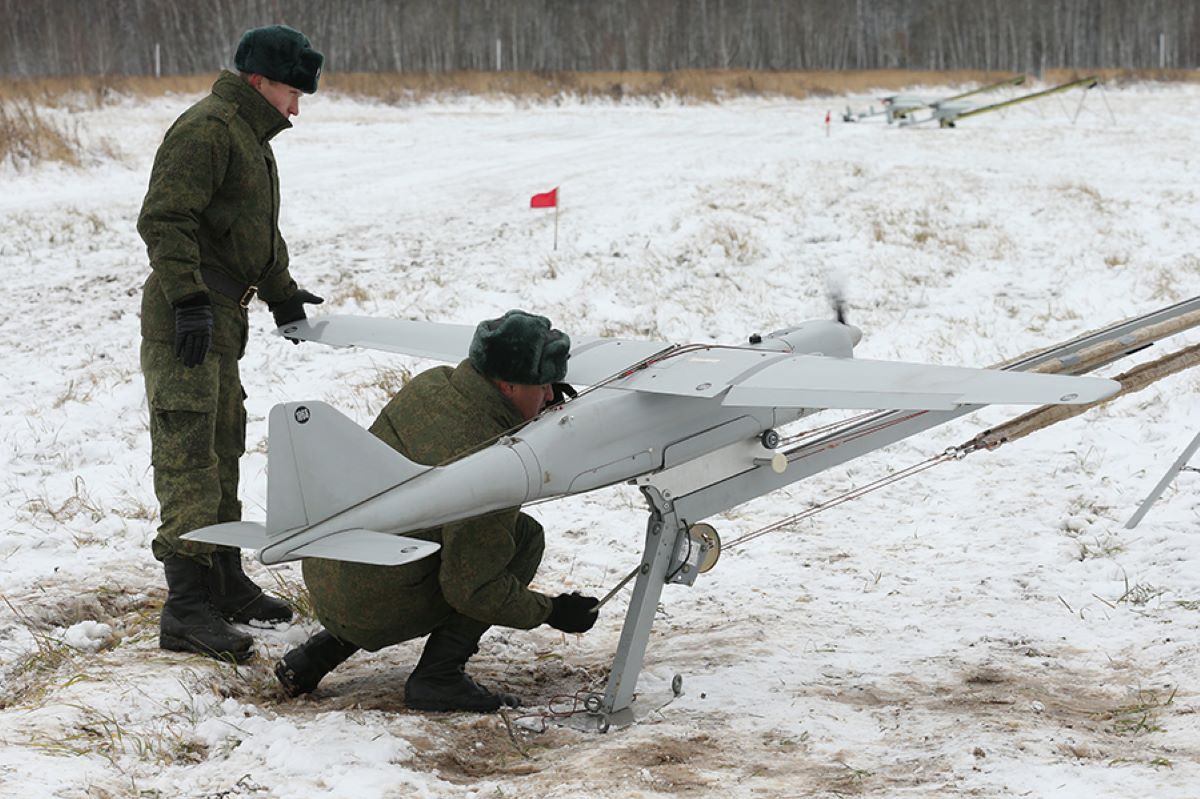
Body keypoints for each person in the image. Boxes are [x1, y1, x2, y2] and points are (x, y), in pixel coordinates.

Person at [275, 310, 601, 711]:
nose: (552, 396)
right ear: (508, 385)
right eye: (543, 385)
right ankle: (439, 678)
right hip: (373, 599)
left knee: (415, 533)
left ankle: (315, 657)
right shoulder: (491, 457)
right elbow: (473, 589)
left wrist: (538, 406)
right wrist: (550, 611)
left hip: (329, 568)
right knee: (524, 540)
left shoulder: (432, 386)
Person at [137, 25, 326, 663]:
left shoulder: (248, 136)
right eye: (292, 92)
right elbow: (164, 218)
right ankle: (186, 608)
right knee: (189, 453)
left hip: (222, 314)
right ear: (258, 82)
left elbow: (250, 236)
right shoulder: (209, 130)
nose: (297, 107)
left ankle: (223, 581)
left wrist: (282, 292)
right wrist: (188, 299)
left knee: (221, 447)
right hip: (188, 314)